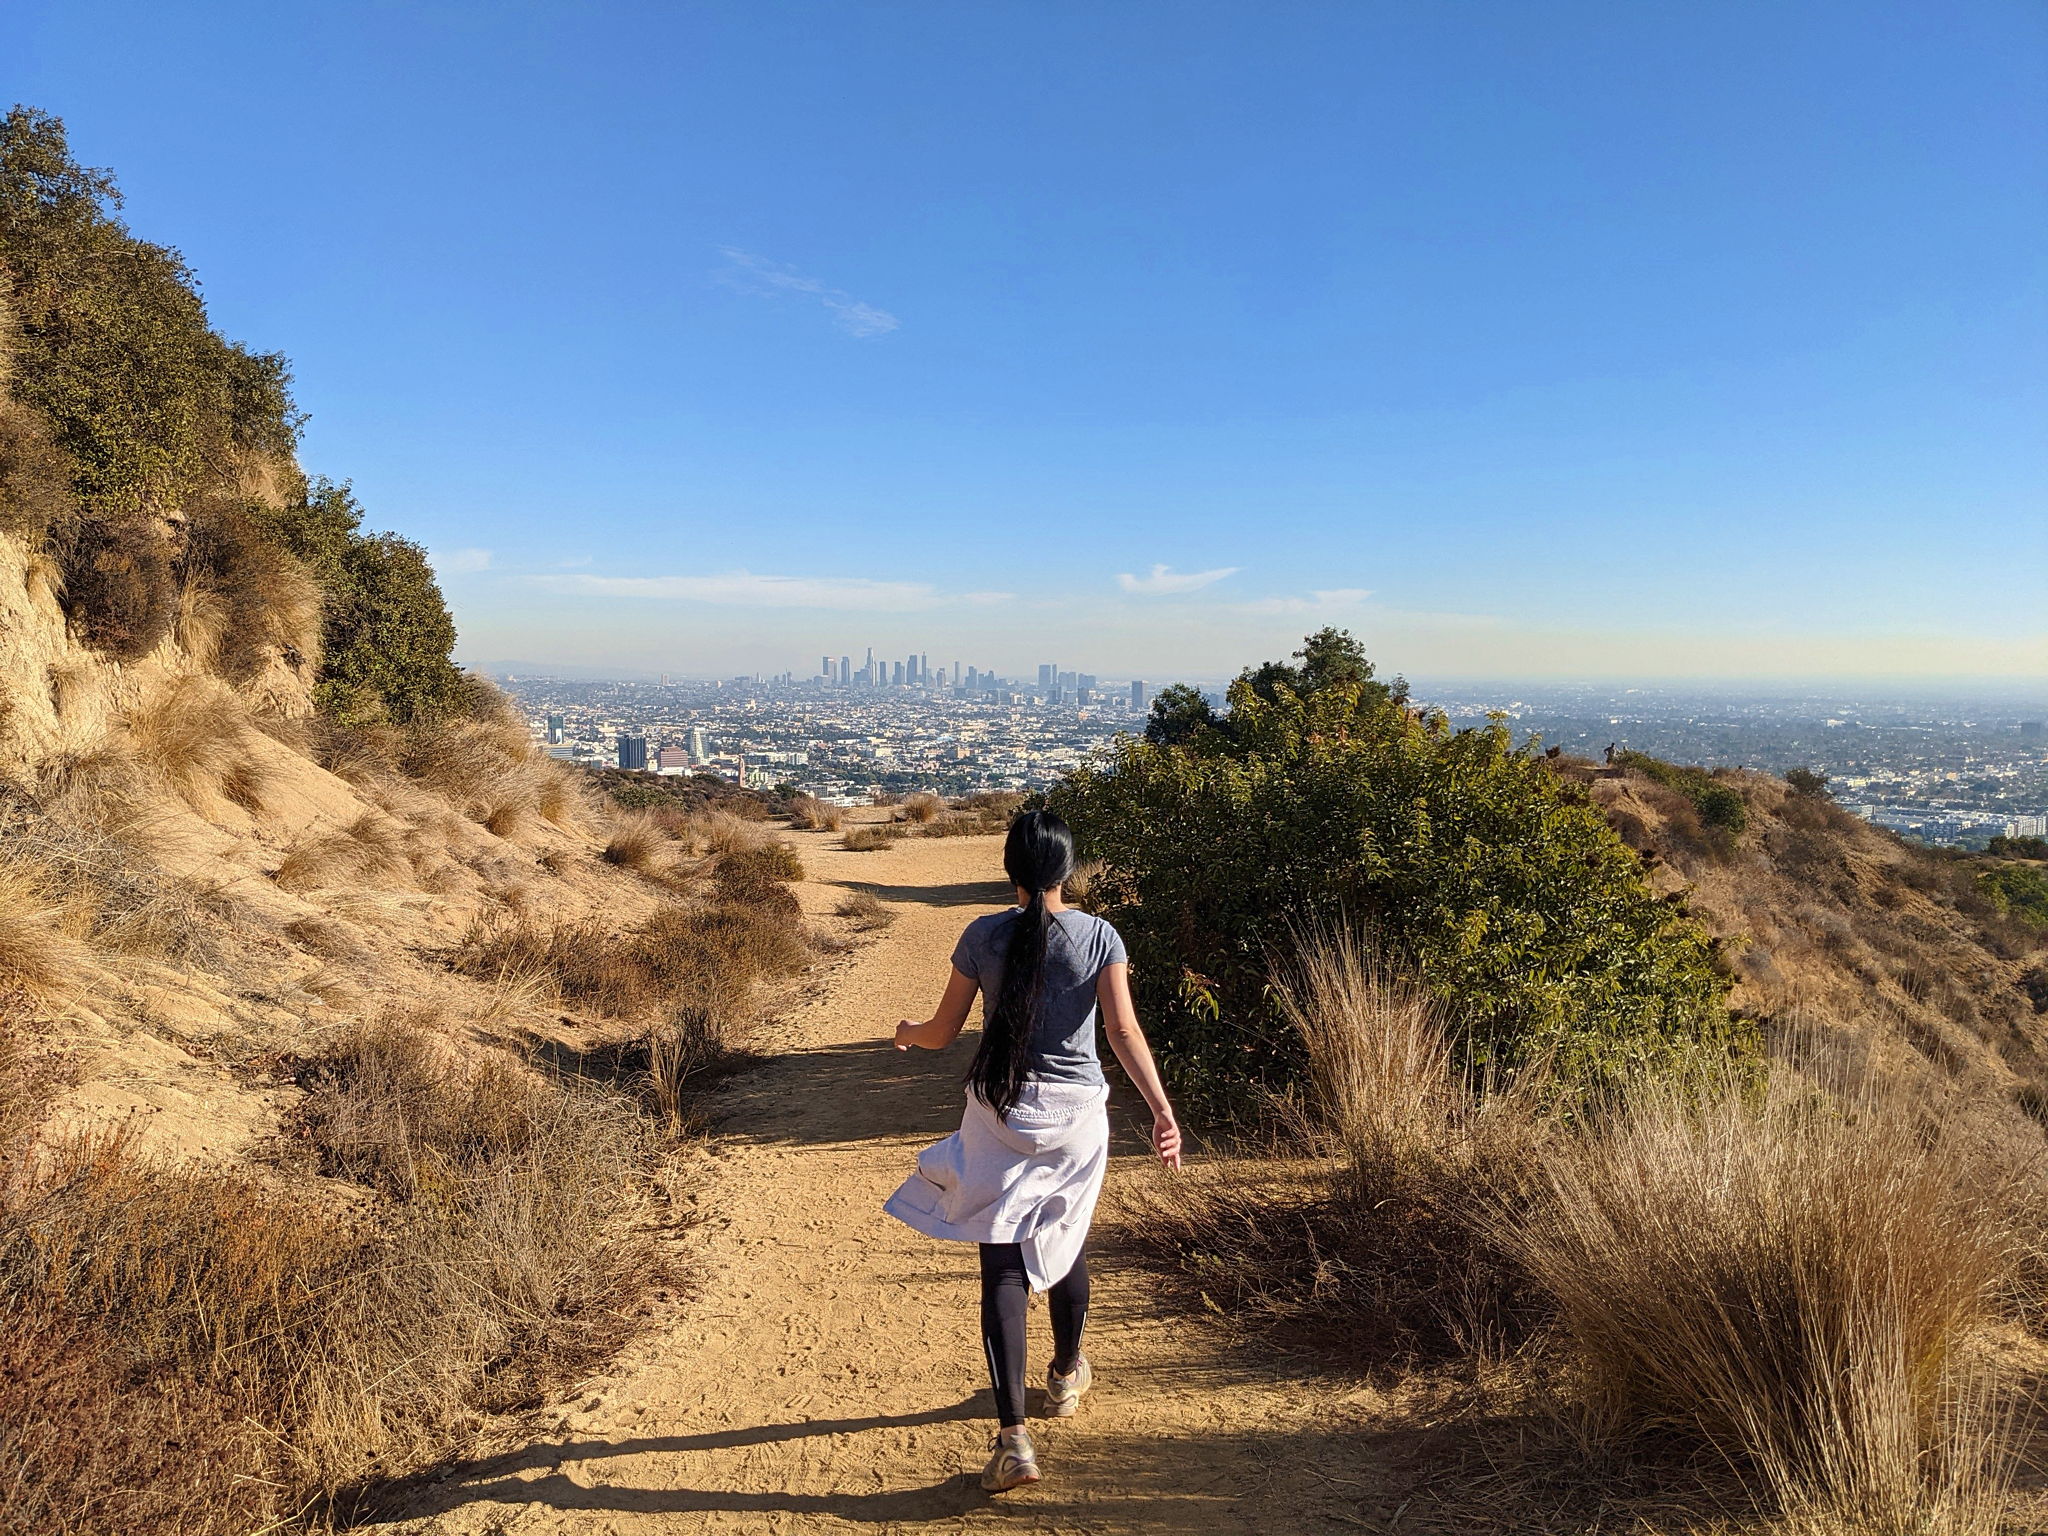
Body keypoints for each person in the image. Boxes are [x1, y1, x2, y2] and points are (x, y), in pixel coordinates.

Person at [883, 809, 1182, 1493]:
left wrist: (906, 1032)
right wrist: (1162, 1111)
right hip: (1076, 1117)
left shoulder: (982, 935)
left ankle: (1014, 1438)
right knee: (1066, 1243)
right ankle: (1066, 1373)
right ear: (1068, 871)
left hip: (999, 1112)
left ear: (1010, 871)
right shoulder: (1099, 936)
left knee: (1004, 1262)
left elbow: (945, 1030)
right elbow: (1124, 1032)